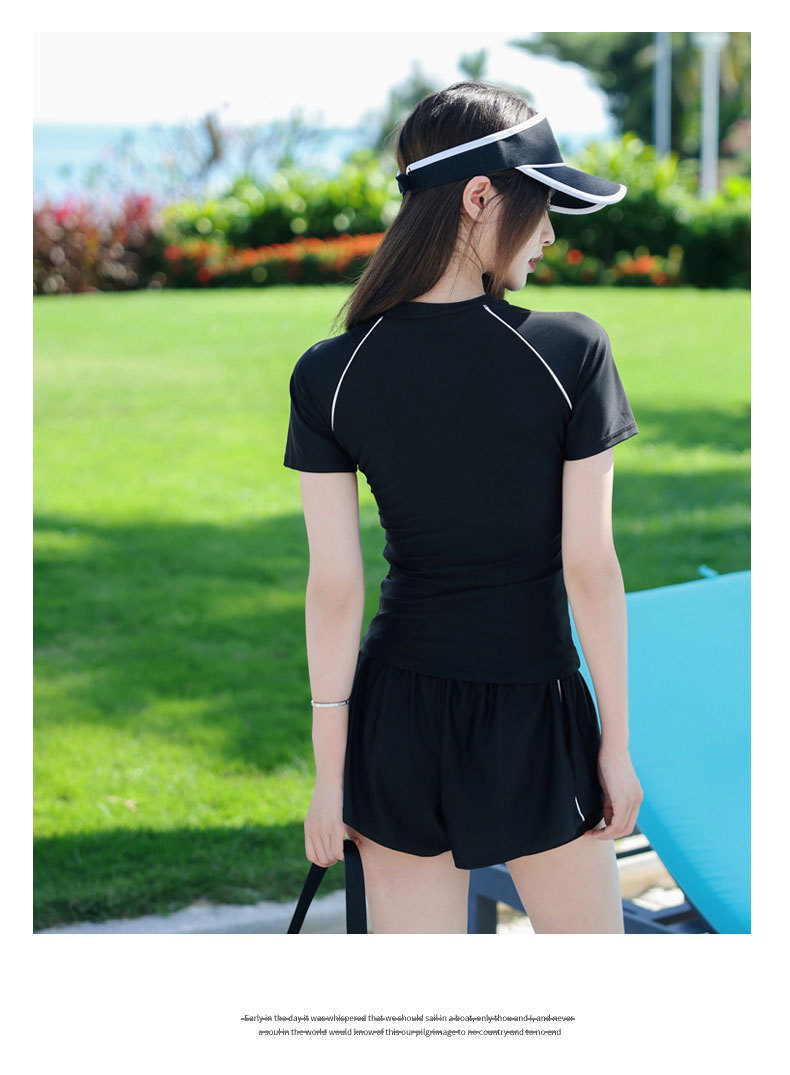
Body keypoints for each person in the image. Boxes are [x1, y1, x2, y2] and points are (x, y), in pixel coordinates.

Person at [283, 80, 644, 934]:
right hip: (535, 711)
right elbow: (589, 567)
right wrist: (616, 746)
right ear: (481, 196)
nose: (550, 232)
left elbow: (334, 590)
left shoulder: (331, 370)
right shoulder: (570, 350)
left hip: (396, 723)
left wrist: (331, 776)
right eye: (542, 204)